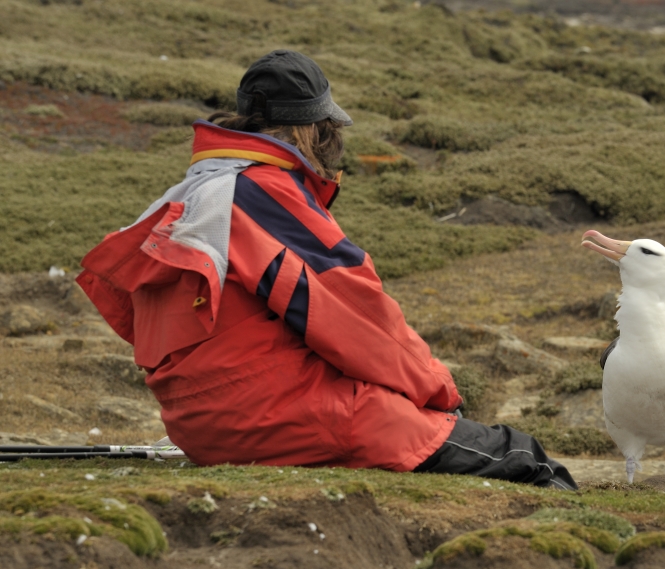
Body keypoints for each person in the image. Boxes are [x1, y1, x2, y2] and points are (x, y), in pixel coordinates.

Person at [77, 49, 576, 490]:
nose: (335, 138)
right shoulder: (263, 192)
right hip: (283, 415)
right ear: (308, 129)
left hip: (201, 426)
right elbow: (360, 321)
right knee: (524, 458)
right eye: (329, 126)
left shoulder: (191, 194)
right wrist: (439, 393)